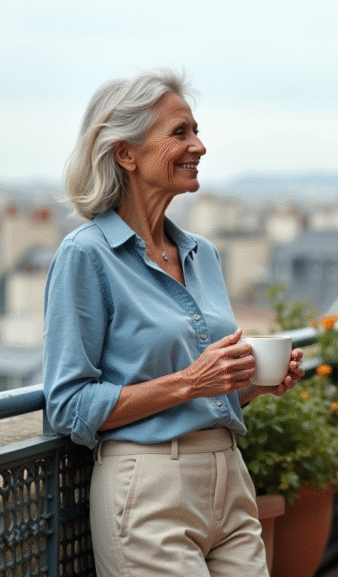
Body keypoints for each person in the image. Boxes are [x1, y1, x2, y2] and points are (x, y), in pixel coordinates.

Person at [43, 68, 304, 577]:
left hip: (228, 475)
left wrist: (247, 385)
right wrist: (190, 382)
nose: (199, 146)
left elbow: (202, 384)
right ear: (126, 153)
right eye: (179, 132)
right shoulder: (86, 256)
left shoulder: (201, 253)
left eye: (196, 130)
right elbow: (68, 406)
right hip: (148, 486)